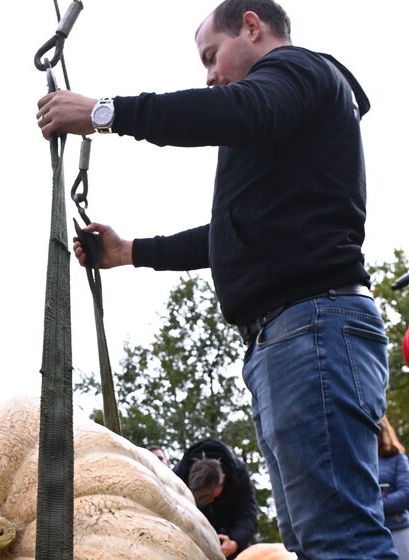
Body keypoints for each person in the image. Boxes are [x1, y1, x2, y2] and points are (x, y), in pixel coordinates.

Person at [37, 1, 394, 557]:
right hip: (290, 336)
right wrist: (130, 251)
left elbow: (237, 110)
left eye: (211, 56)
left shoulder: (299, 69)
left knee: (339, 540)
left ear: (251, 26)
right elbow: (230, 233)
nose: (208, 75)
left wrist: (105, 113)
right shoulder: (287, 133)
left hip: (311, 327)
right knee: (313, 540)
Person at [174, 439, 257, 558]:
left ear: (222, 480)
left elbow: (247, 516)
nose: (209, 502)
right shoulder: (176, 477)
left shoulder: (239, 475)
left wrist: (235, 541)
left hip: (228, 543)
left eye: (211, 496)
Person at [379, 416, 409, 559]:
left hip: (398, 530)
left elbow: (406, 494)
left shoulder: (398, 458)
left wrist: (374, 504)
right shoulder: (358, 461)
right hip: (370, 531)